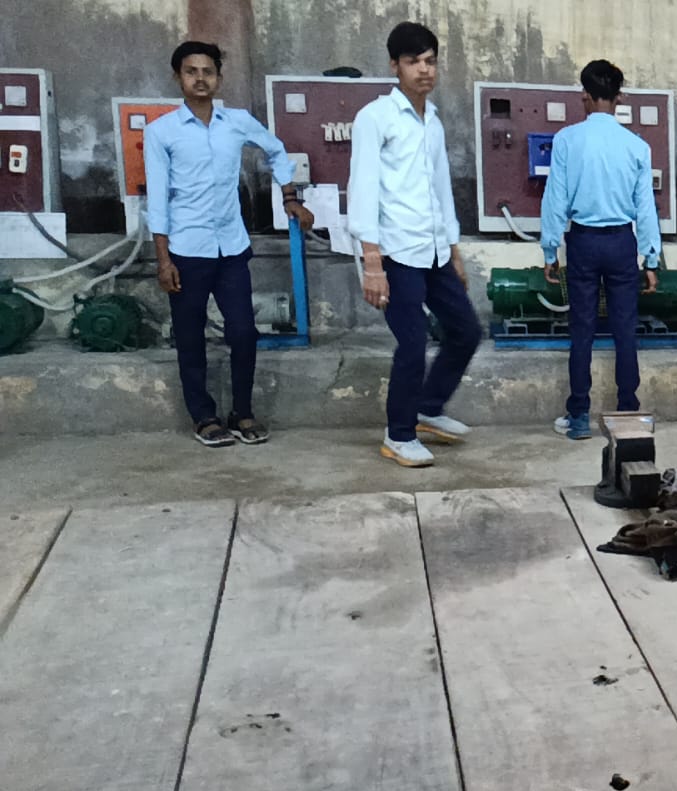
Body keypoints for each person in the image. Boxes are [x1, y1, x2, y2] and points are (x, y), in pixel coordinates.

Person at [145, 40, 314, 448]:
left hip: (231, 248)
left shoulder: (236, 122)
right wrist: (163, 259)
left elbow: (275, 149)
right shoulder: (161, 132)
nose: (200, 79)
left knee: (243, 332)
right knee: (190, 337)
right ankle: (203, 416)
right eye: (191, 71)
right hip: (186, 249)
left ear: (219, 78)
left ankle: (242, 412)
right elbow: (158, 199)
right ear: (178, 77)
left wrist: (289, 195)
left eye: (208, 71)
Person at [349, 21, 482, 468]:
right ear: (395, 66)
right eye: (413, 62)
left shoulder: (433, 121)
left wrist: (454, 250)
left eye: (430, 61)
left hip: (434, 251)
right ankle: (399, 434)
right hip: (394, 252)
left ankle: (427, 408)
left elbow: (441, 189)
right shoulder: (375, 118)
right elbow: (363, 188)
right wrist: (371, 262)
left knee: (466, 331)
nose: (424, 70)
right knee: (412, 342)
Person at [542, 59, 662, 441]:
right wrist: (652, 258)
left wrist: (549, 250)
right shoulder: (637, 146)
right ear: (619, 97)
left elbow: (555, 199)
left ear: (585, 96)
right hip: (622, 242)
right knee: (625, 328)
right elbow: (646, 207)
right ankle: (628, 410)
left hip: (583, 241)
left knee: (582, 329)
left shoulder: (567, 140)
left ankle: (578, 415)